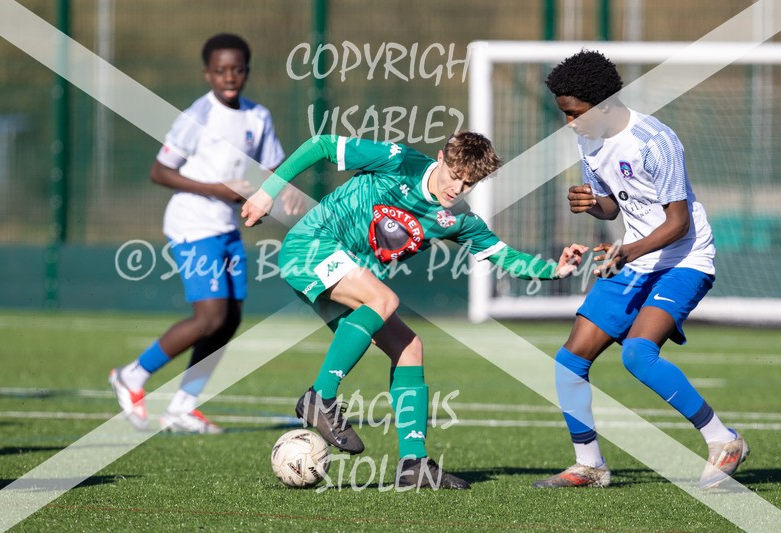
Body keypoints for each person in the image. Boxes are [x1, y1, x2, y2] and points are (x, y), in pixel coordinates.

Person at [242, 131, 588, 489]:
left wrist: (554, 270)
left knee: (410, 348)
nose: (458, 188)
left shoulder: (458, 219)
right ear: (440, 157)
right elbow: (322, 145)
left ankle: (414, 463)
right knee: (384, 300)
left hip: (344, 274)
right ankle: (320, 397)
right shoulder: (399, 161)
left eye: (469, 183)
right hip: (312, 245)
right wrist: (268, 191)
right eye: (454, 175)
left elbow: (505, 256)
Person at [533, 50, 748, 489]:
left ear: (603, 103)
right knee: (568, 361)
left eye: (574, 114)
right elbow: (613, 205)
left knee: (637, 353)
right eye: (564, 114)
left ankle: (723, 440)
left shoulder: (655, 141)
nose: (569, 123)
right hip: (636, 256)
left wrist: (627, 251)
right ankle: (589, 466)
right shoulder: (587, 138)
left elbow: (678, 223)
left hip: (684, 259)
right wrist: (594, 205)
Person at [110, 33, 300, 433]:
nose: (229, 77)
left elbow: (272, 170)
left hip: (227, 226)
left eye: (236, 69)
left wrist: (283, 192)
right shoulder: (197, 115)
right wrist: (217, 190)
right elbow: (159, 171)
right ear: (207, 73)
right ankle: (132, 375)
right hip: (192, 222)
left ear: (247, 71)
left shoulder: (257, 117)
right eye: (220, 70)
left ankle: (183, 405)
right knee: (210, 314)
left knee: (229, 318)